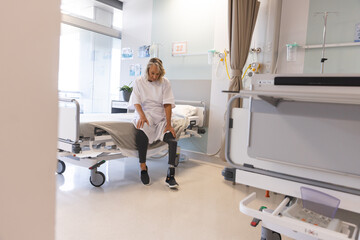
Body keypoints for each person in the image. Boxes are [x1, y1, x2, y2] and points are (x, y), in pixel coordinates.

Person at [128, 58, 179, 188]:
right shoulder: (139, 81)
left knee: (172, 139)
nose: (155, 76)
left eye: (157, 74)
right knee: (141, 131)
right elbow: (136, 101)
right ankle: (143, 167)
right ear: (147, 71)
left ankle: (170, 175)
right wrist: (142, 116)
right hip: (145, 113)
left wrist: (168, 124)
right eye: (152, 73)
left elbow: (167, 104)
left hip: (160, 115)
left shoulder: (165, 83)